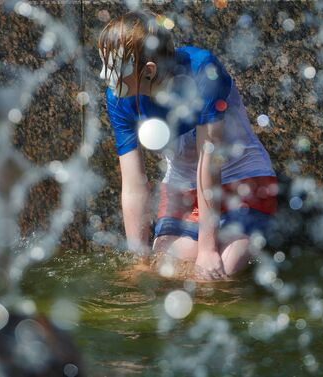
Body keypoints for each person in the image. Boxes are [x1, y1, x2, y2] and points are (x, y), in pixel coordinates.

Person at [98, 10, 277, 280]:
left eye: (114, 67)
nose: (105, 76)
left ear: (148, 71)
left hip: (244, 178)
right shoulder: (119, 97)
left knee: (218, 277)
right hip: (183, 187)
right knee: (165, 272)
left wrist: (207, 249)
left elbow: (210, 163)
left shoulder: (203, 71)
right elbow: (134, 184)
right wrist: (138, 257)